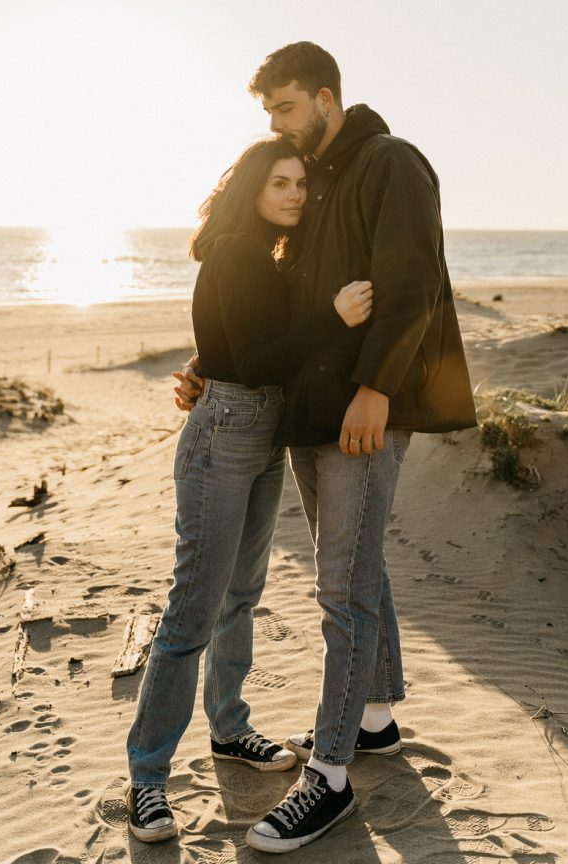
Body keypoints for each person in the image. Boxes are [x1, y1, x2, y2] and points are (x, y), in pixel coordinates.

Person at [181, 42, 477, 853]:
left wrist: (378, 388)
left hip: (363, 413)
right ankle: (375, 719)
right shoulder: (316, 184)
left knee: (341, 591)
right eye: (268, 115)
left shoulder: (390, 163)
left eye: (282, 108)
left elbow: (413, 283)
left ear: (322, 96)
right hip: (312, 413)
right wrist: (211, 366)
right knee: (354, 568)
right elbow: (279, 307)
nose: (275, 125)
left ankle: (332, 778)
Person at [125, 136, 374, 843]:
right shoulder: (238, 252)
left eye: (300, 184)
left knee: (242, 594)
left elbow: (240, 343)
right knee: (193, 610)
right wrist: (333, 317)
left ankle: (229, 728)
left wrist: (208, 361)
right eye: (280, 184)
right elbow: (262, 355)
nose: (295, 194)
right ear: (252, 191)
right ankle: (146, 775)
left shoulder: (262, 255)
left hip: (263, 433)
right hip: (226, 435)